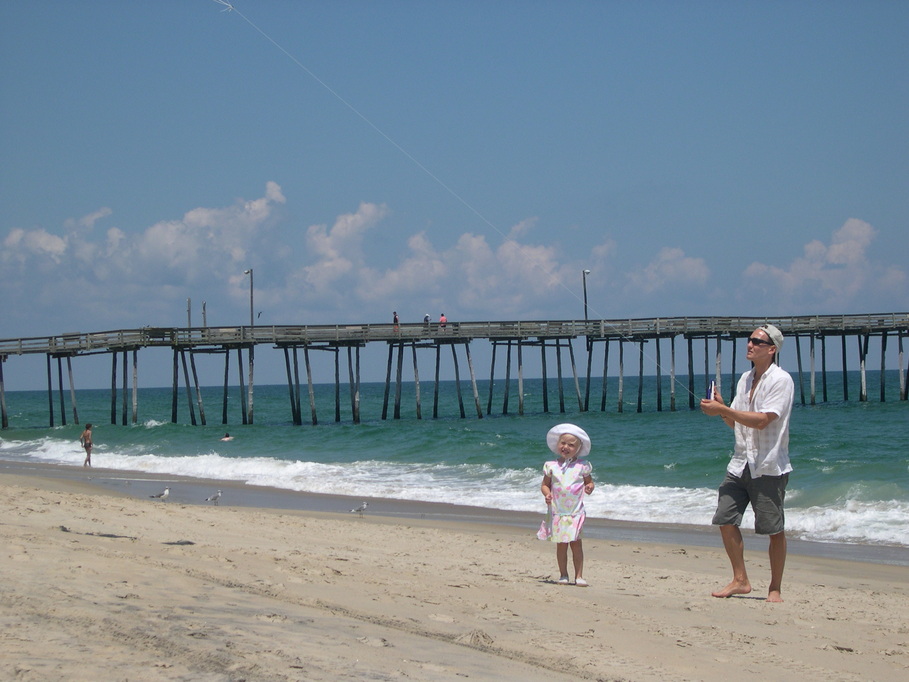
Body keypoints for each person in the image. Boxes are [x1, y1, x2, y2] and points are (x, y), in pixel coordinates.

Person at [700, 323, 794, 603]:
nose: (750, 344)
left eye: (757, 341)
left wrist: (725, 409)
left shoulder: (781, 380)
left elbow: (764, 420)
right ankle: (740, 579)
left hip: (768, 464)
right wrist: (721, 410)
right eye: (749, 340)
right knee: (725, 517)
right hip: (740, 461)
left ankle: (775, 587)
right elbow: (736, 423)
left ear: (772, 349)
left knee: (773, 529)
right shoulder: (744, 379)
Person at [540, 423, 595, 586]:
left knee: (576, 543)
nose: (566, 447)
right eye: (563, 443)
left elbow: (589, 482)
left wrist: (590, 487)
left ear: (578, 448)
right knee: (561, 544)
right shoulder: (551, 466)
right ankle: (563, 574)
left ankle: (579, 576)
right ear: (557, 444)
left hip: (575, 511)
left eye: (571, 445)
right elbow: (544, 485)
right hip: (558, 511)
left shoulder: (582, 466)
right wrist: (547, 494)